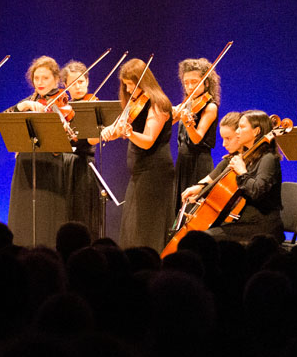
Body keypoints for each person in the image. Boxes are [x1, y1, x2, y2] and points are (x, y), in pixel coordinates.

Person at [101, 58, 174, 251]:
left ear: (144, 82)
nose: (128, 90)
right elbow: (118, 129)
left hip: (155, 172)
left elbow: (148, 140)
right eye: (125, 85)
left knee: (146, 227)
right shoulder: (134, 102)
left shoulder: (158, 103)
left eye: (131, 84)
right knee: (131, 226)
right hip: (139, 172)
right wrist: (109, 131)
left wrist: (130, 134)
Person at [181, 110, 284, 243]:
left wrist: (242, 172)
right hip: (244, 221)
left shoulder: (268, 158)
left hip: (262, 226)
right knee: (200, 234)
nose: (237, 131)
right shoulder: (246, 158)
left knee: (205, 239)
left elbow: (257, 191)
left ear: (256, 131)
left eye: (241, 127)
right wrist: (201, 190)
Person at [7, 56, 72, 249]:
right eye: (36, 78)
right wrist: (23, 106)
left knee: (46, 217)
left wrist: (59, 126)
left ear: (56, 79)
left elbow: (63, 143)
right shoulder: (29, 101)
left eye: (45, 78)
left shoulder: (61, 103)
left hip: (49, 164)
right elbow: (6, 118)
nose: (40, 82)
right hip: (25, 164)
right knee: (24, 215)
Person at [171, 58, 220, 214]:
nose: (190, 87)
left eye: (194, 82)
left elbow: (197, 138)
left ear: (206, 83)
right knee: (179, 210)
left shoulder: (210, 106)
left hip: (199, 163)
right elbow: (167, 123)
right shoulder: (187, 104)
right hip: (183, 162)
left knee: (193, 211)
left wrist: (188, 124)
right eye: (186, 83)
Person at [60, 60, 102, 236]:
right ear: (65, 86)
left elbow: (92, 141)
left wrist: (97, 128)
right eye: (72, 83)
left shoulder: (93, 104)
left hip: (84, 166)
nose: (78, 87)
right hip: (64, 164)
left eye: (81, 82)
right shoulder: (62, 108)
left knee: (83, 214)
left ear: (87, 81)